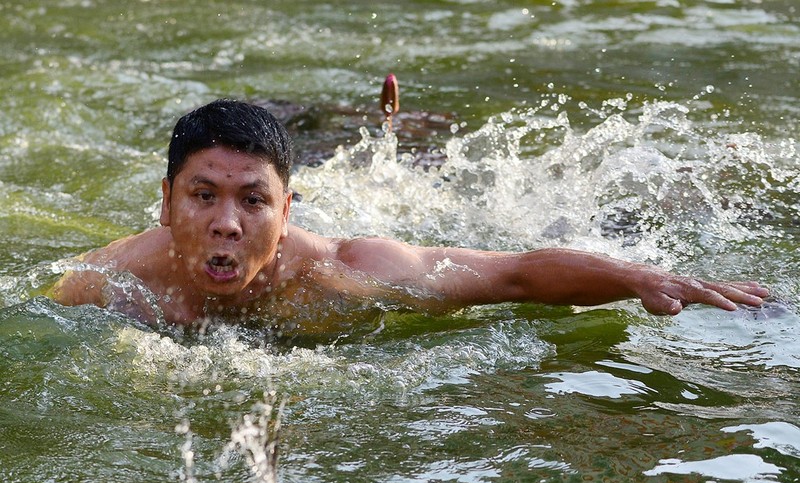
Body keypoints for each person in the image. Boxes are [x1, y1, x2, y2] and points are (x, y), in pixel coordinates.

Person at [48, 99, 769, 337]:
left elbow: (511, 276)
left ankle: (392, 132)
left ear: (287, 209)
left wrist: (640, 276)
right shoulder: (104, 283)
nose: (228, 222)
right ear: (166, 201)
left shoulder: (346, 273)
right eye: (203, 196)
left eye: (253, 199)